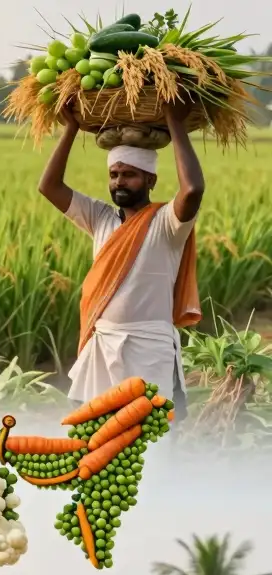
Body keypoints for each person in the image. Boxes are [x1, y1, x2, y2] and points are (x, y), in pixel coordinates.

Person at [38, 103, 204, 418]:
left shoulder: (167, 223)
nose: (119, 182)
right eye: (114, 175)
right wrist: (70, 128)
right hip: (102, 348)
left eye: (129, 175)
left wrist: (174, 121)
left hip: (149, 351)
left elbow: (193, 189)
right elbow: (49, 187)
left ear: (151, 180)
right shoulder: (100, 218)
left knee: (150, 440)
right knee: (97, 442)